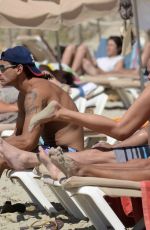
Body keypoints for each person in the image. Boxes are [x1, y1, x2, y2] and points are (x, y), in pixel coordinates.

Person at [0, 45, 84, 176]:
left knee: (2, 158)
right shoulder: (24, 93)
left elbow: (27, 142)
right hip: (50, 149)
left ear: (19, 69)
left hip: (68, 154)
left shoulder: (36, 92)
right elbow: (18, 135)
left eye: (2, 68)